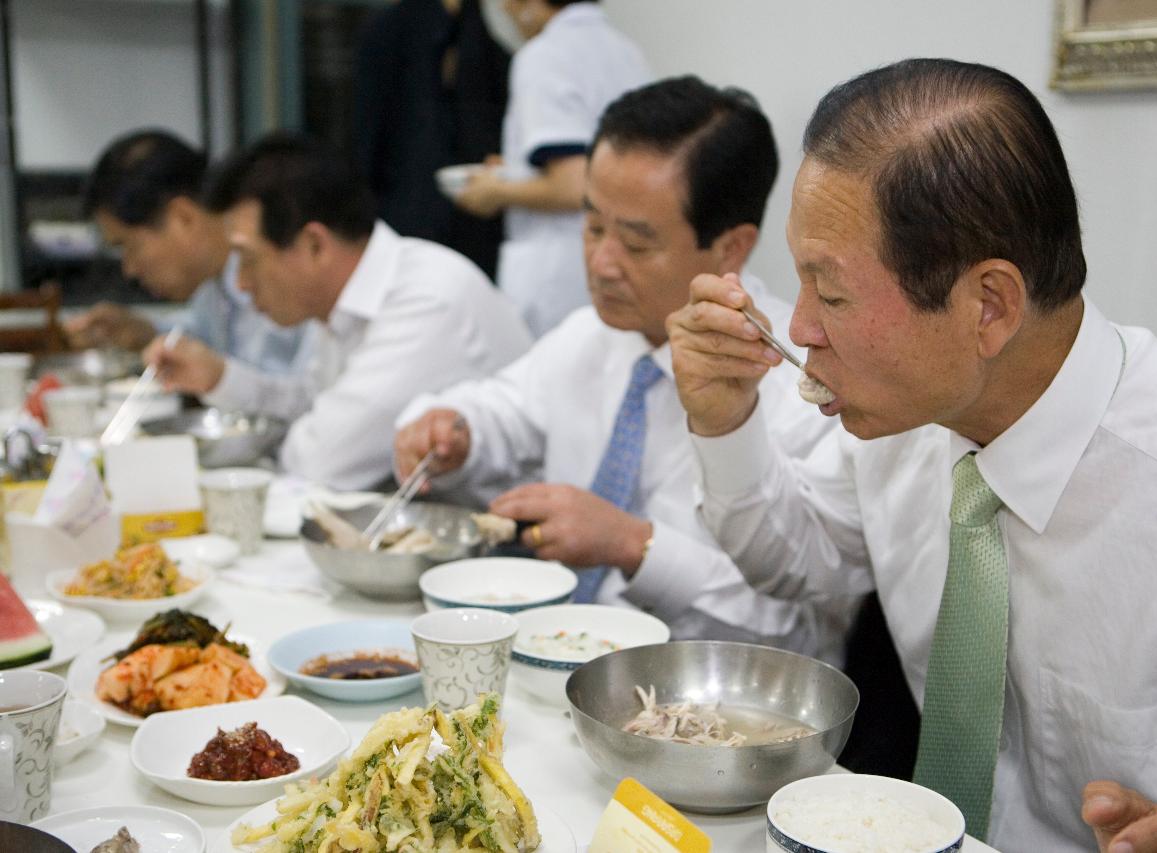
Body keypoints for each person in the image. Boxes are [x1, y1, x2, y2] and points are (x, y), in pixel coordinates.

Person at [668, 59, 1157, 851]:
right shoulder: (908, 415)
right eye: (800, 282)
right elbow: (801, 563)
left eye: (835, 293)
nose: (802, 328)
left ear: (988, 305)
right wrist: (722, 422)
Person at [394, 77, 844, 662]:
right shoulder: (593, 335)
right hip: (556, 663)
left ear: (732, 248)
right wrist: (456, 428)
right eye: (592, 226)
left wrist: (633, 546)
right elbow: (505, 408)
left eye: (635, 242)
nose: (601, 263)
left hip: (711, 705)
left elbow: (794, 630)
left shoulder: (804, 384)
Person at [148, 133, 532, 490]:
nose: (243, 283)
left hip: (511, 546)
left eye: (248, 259)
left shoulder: (425, 301)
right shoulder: (349, 297)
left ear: (315, 245)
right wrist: (218, 379)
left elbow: (324, 461)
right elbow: (312, 403)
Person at [452, 0, 650, 336]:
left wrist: (494, 191)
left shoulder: (544, 56)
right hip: (623, 260)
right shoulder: (627, 52)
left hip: (558, 272)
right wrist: (516, 172)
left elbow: (574, 185)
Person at [71, 130, 311, 375]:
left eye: (129, 246)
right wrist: (146, 332)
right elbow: (203, 335)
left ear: (182, 217)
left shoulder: (278, 271)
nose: (129, 269)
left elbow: (298, 396)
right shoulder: (212, 287)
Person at [352, 0, 509, 279]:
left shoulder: (481, 34)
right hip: (410, 220)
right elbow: (367, 143)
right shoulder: (392, 32)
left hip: (472, 221)